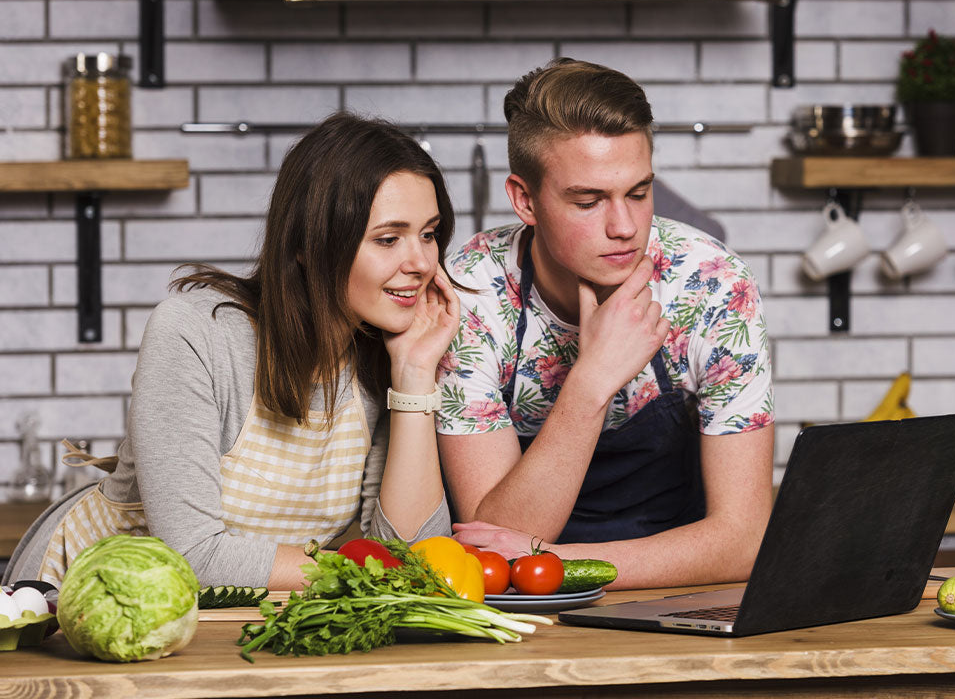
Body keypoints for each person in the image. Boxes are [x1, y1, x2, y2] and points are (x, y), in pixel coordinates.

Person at [4, 112, 461, 591]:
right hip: (79, 596)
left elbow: (415, 558)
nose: (421, 262)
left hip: (224, 615)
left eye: (428, 234)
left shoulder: (381, 358)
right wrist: (360, 571)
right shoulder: (196, 334)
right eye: (388, 239)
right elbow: (193, 555)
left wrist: (414, 374)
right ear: (307, 245)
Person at [437, 58, 775, 589]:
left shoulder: (711, 283)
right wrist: (591, 380)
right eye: (588, 201)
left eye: (638, 193)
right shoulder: (469, 298)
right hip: (525, 601)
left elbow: (745, 540)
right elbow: (493, 542)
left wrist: (563, 561)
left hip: (675, 587)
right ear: (525, 200)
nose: (624, 227)